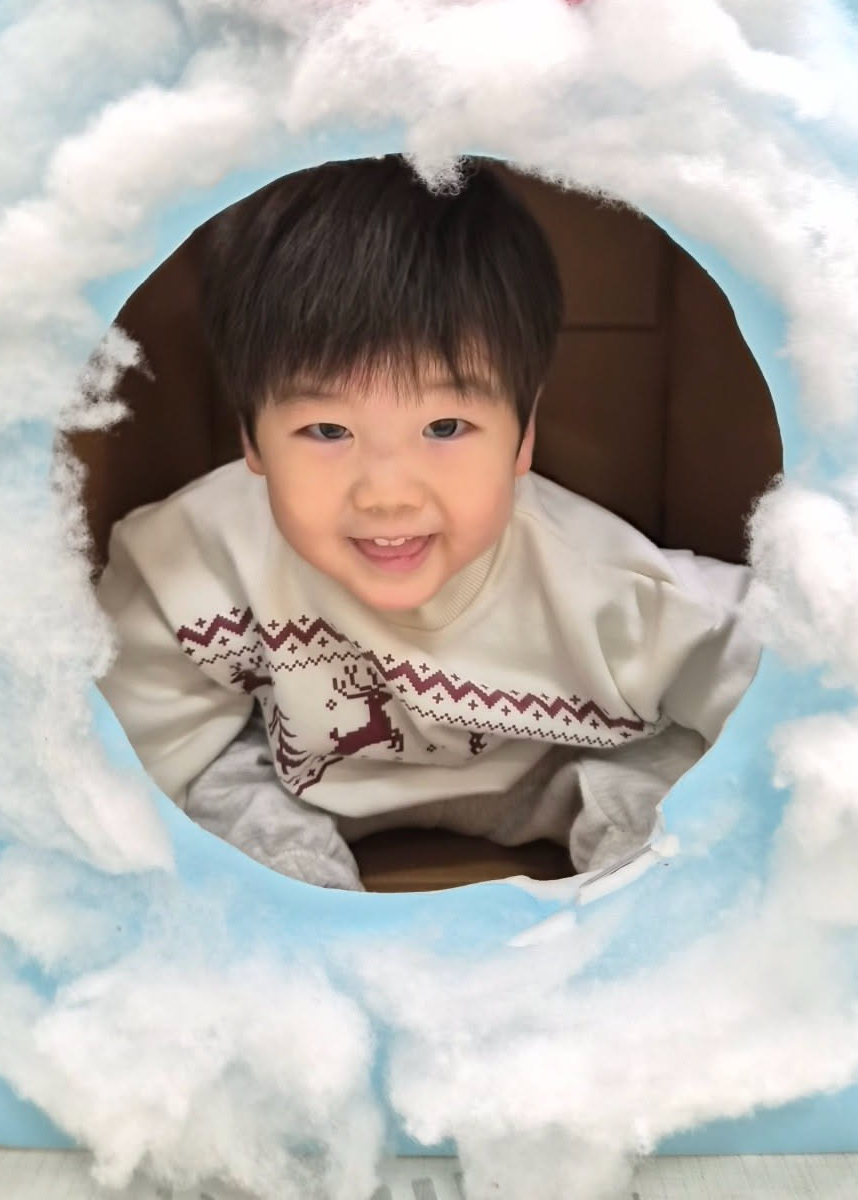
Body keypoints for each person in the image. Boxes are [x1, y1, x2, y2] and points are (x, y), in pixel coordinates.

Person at [95, 155, 759, 891]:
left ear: (523, 434)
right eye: (327, 431)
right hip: (298, 779)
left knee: (667, 792)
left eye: (444, 427)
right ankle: (299, 908)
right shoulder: (190, 560)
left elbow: (764, 652)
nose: (387, 495)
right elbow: (121, 749)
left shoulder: (602, 581)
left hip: (554, 763)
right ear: (251, 438)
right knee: (209, 798)